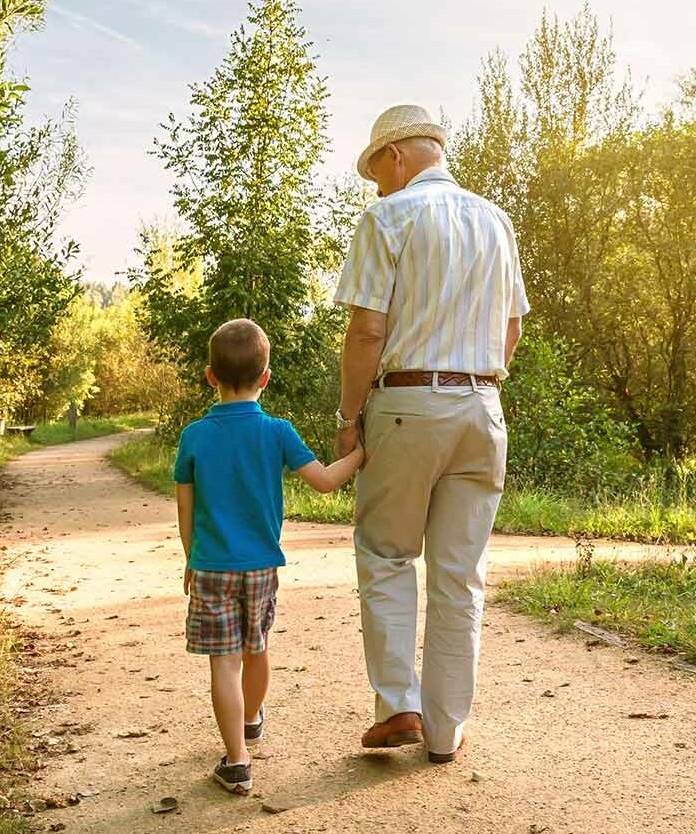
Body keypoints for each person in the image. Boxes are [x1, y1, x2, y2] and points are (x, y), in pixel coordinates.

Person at [333, 104, 529, 763]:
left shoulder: (388, 217)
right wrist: (477, 380)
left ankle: (398, 707)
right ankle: (445, 732)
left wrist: (348, 416)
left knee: (388, 554)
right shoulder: (496, 221)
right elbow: (512, 331)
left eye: (376, 172)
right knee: (459, 573)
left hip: (407, 405)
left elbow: (367, 330)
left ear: (396, 157)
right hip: (483, 407)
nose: (377, 186)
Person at [174, 318, 364, 795]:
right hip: (261, 566)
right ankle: (252, 718)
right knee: (256, 646)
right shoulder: (277, 431)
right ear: (266, 377)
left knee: (223, 662)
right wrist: (362, 454)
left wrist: (190, 558)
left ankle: (236, 760)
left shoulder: (194, 436)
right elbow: (323, 481)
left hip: (212, 566)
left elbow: (185, 506)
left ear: (210, 376)